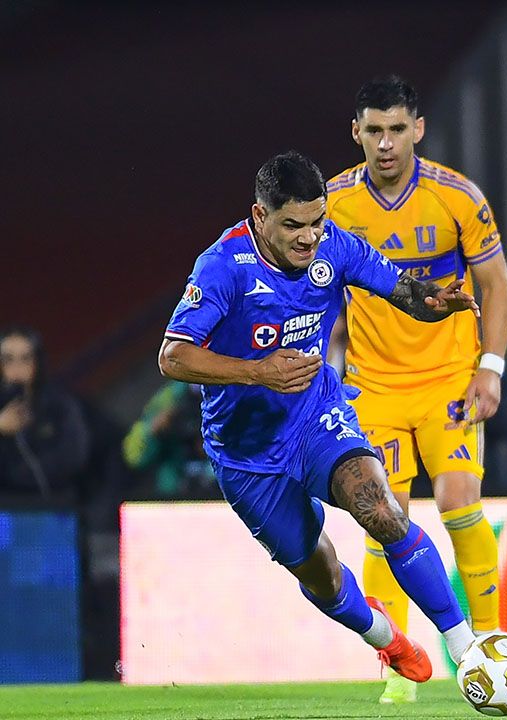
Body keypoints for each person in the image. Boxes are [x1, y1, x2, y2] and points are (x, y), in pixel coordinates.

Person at [159, 151, 479, 692]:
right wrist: (258, 372)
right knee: (322, 574)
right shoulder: (223, 267)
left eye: (317, 222)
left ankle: (466, 648)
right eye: (293, 226)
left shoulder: (335, 246)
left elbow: (403, 290)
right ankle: (385, 637)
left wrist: (432, 302)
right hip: (245, 454)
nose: (309, 238)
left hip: (315, 416)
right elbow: (172, 356)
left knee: (379, 507)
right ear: (260, 216)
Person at [325, 76, 507, 704]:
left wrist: (491, 367)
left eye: (398, 129)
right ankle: (396, 670)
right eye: (374, 130)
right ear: (356, 132)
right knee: (383, 516)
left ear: (419, 130)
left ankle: (489, 646)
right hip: (372, 387)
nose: (386, 143)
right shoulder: (333, 205)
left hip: (447, 379)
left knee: (460, 503)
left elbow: (498, 284)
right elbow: (316, 292)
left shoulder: (457, 197)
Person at [0, 326, 90, 499]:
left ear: (37, 363)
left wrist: (21, 475)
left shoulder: (60, 406)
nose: (17, 368)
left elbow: (73, 456)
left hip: (54, 503)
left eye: (25, 359)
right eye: (8, 359)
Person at [122, 380, 216, 497]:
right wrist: (154, 430)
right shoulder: (173, 395)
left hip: (222, 487)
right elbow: (134, 457)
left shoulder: (232, 389)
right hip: (175, 491)